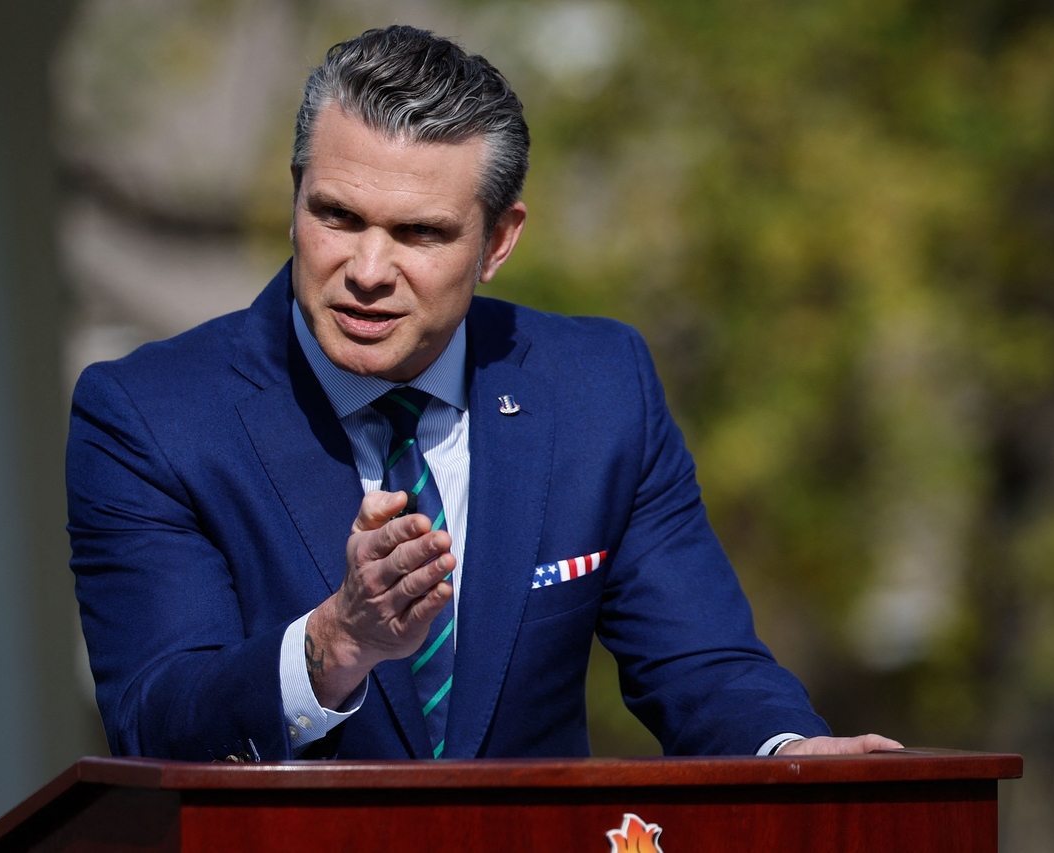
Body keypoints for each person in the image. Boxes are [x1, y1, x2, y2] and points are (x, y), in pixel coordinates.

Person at [66, 25, 899, 761]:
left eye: (419, 232)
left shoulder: (599, 391)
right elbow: (155, 718)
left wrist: (794, 753)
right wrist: (335, 641)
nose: (366, 271)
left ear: (498, 240)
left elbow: (701, 664)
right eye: (339, 217)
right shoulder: (150, 418)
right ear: (294, 201)